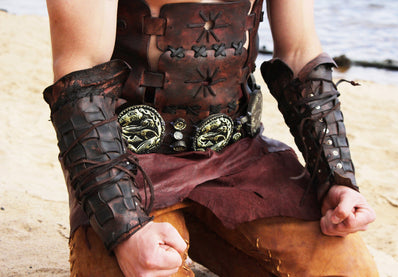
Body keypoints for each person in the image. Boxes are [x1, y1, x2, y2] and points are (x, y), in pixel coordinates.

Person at [43, 0, 378, 276]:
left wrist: (337, 178)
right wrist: (124, 227)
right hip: (127, 165)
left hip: (241, 157)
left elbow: (300, 53)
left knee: (349, 271)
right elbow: (79, 80)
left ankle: (207, 227)